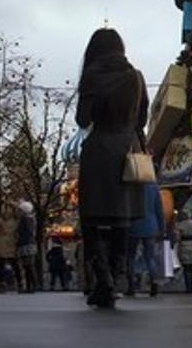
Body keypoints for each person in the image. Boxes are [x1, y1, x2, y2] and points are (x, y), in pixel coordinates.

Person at [75, 27, 149, 309]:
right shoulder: (136, 77)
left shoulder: (92, 76)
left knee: (92, 221)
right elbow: (142, 117)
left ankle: (103, 280)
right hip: (129, 152)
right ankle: (116, 277)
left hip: (99, 152)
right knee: (123, 220)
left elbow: (83, 120)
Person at [126, 181, 164, 297]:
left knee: (130, 256)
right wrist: (162, 228)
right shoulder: (154, 187)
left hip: (133, 225)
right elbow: (159, 209)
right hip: (151, 226)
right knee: (149, 257)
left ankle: (131, 286)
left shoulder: (130, 187)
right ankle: (154, 284)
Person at [0, 207, 19, 293]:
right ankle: (19, 282)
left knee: (1, 264)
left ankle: (1, 283)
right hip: (11, 242)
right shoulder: (15, 221)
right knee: (14, 263)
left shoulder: (1, 220)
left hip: (1, 242)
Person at [174, 212, 192, 294]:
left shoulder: (179, 225)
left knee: (186, 268)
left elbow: (178, 237)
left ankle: (188, 287)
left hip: (184, 247)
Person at [16, 201, 39, 293]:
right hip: (28, 243)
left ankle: (33, 285)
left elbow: (27, 232)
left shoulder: (26, 219)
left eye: (20, 210)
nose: (18, 211)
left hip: (27, 244)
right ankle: (30, 286)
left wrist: (20, 241)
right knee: (27, 266)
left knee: (29, 265)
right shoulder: (30, 218)